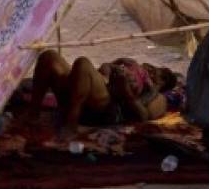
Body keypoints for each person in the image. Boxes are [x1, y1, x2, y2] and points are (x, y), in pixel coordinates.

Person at [25, 49, 182, 135]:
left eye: (161, 77)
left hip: (106, 106)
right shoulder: (133, 68)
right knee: (49, 57)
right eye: (155, 69)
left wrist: (126, 94)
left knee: (83, 63)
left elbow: (144, 117)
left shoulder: (157, 96)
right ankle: (33, 114)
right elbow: (105, 68)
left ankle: (71, 123)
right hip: (86, 90)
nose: (155, 73)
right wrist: (110, 70)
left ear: (162, 86)